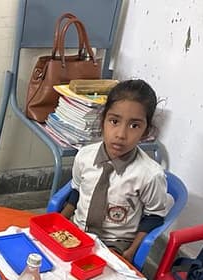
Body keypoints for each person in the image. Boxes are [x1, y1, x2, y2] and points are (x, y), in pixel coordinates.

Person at [61, 79, 171, 263]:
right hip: (76, 233)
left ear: (146, 131)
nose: (121, 134)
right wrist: (57, 222)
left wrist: (130, 253)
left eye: (134, 125)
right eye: (114, 121)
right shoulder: (84, 156)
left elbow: (154, 217)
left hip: (116, 245)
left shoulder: (150, 175)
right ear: (102, 120)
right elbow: (76, 191)